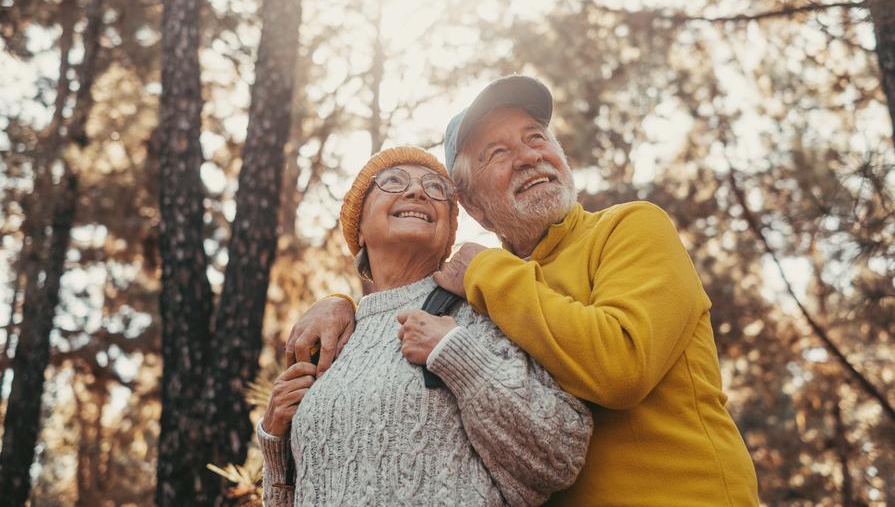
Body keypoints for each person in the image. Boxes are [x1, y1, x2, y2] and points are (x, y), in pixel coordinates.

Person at [288, 76, 761, 506]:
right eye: (496, 152)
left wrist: (486, 270)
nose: (530, 155)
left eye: (536, 138)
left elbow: (622, 366)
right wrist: (342, 306)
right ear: (472, 205)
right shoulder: (478, 295)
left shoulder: (629, 228)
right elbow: (398, 304)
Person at [257, 146, 592, 507]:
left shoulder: (480, 312)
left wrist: (459, 355)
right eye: (393, 182)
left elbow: (560, 455)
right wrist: (275, 448)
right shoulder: (331, 340)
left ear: (448, 230)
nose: (417, 192)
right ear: (360, 228)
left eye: (435, 188)